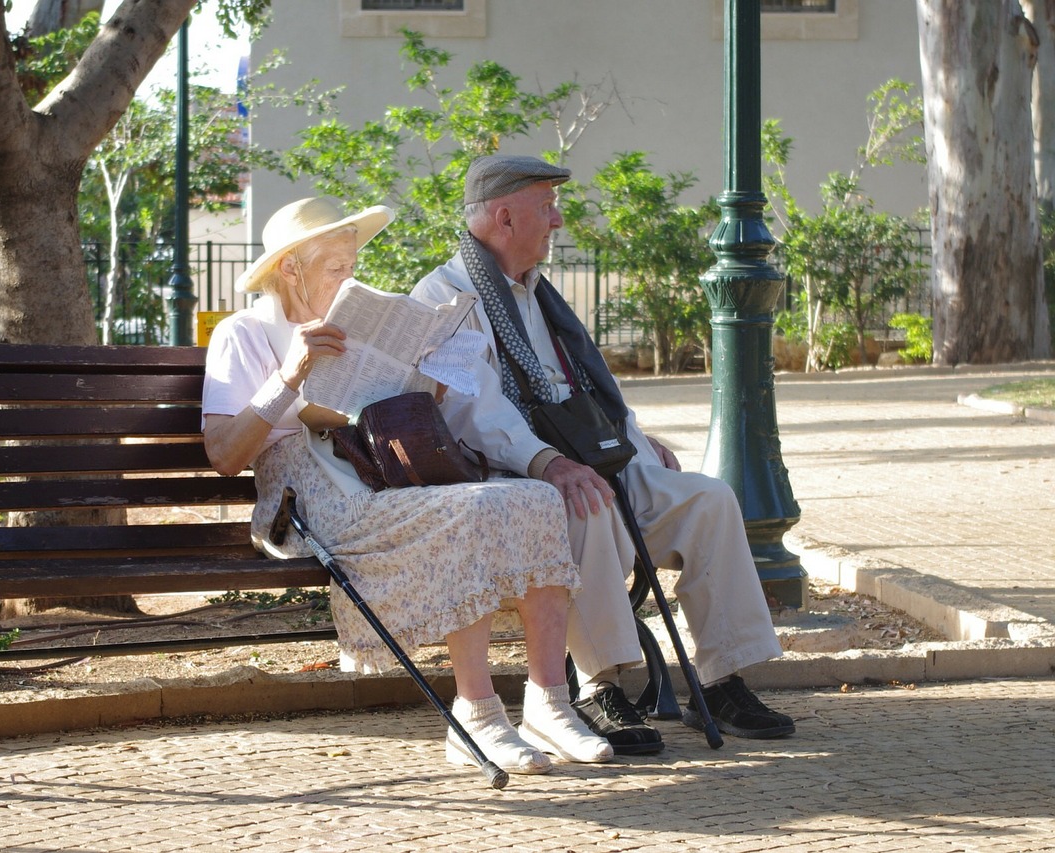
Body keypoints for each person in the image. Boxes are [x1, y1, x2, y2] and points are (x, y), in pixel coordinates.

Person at [201, 196, 616, 774]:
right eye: (336, 267)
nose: (351, 277)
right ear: (290, 268)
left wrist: (427, 379)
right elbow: (224, 454)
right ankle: (476, 713)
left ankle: (548, 702)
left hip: (379, 471)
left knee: (535, 497)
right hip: (306, 496)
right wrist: (289, 374)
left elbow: (387, 407)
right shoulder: (243, 333)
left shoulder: (351, 323)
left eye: (352, 264)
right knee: (465, 514)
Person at [410, 155, 796, 754]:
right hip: (520, 477)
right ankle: (601, 685)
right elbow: (472, 411)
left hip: (588, 460)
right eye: (547, 207)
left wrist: (637, 444)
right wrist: (549, 463)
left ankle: (721, 679)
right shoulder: (445, 295)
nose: (559, 221)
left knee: (708, 499)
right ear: (504, 217)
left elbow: (584, 389)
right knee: (585, 504)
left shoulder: (538, 294)